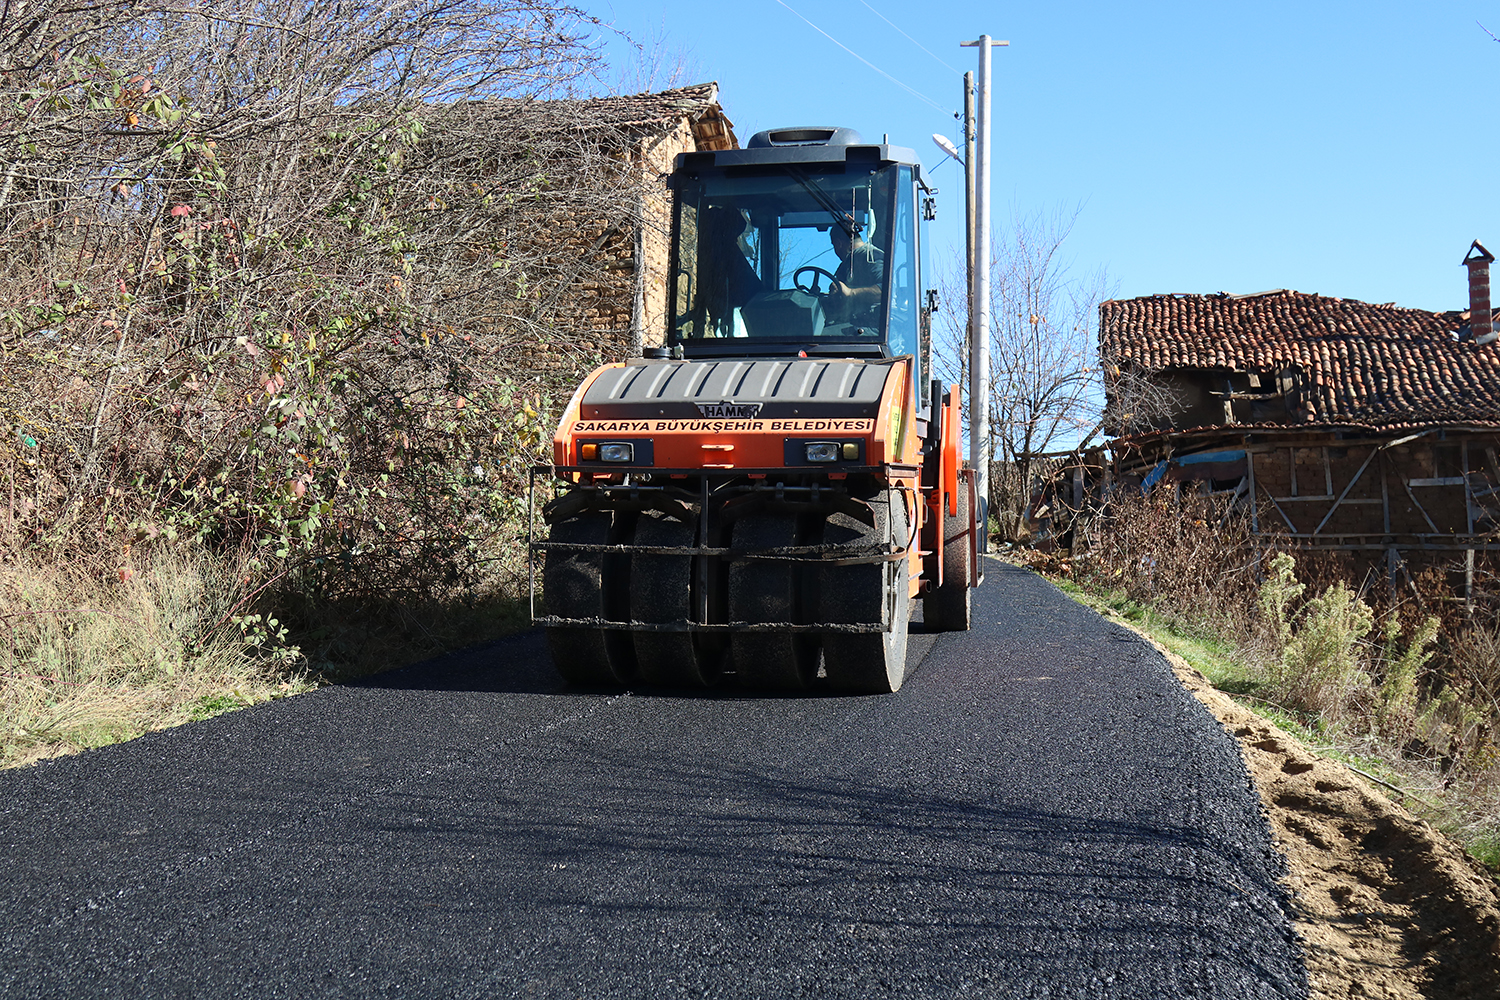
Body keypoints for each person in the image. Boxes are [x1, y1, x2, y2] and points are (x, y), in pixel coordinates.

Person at [827, 215, 884, 325]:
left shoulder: (870, 256)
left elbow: (886, 291)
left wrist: (851, 292)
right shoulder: (849, 262)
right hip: (853, 325)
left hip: (871, 326)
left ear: (838, 244)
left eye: (834, 245)